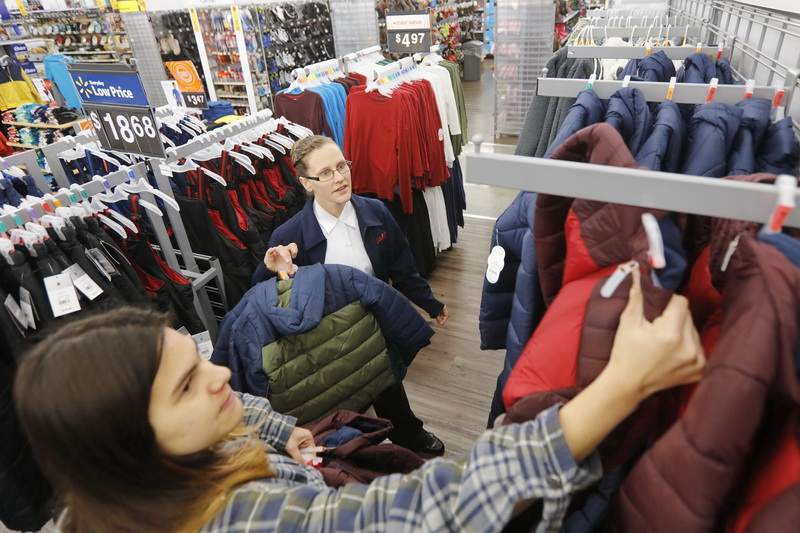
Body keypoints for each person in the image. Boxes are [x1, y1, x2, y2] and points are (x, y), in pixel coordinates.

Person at [15, 269, 705, 533]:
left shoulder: (107, 497)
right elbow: (415, 514)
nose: (220, 371)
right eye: (188, 383)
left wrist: (277, 425)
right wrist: (622, 387)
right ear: (131, 445)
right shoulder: (236, 521)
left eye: (197, 354)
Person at [250, 135, 448, 457]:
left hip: (375, 325)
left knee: (388, 383)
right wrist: (277, 269)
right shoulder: (289, 235)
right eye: (325, 172)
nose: (340, 177)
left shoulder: (376, 212)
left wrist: (430, 303)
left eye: (342, 165)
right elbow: (266, 296)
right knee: (339, 401)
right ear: (306, 183)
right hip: (326, 339)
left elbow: (403, 266)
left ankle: (408, 433)